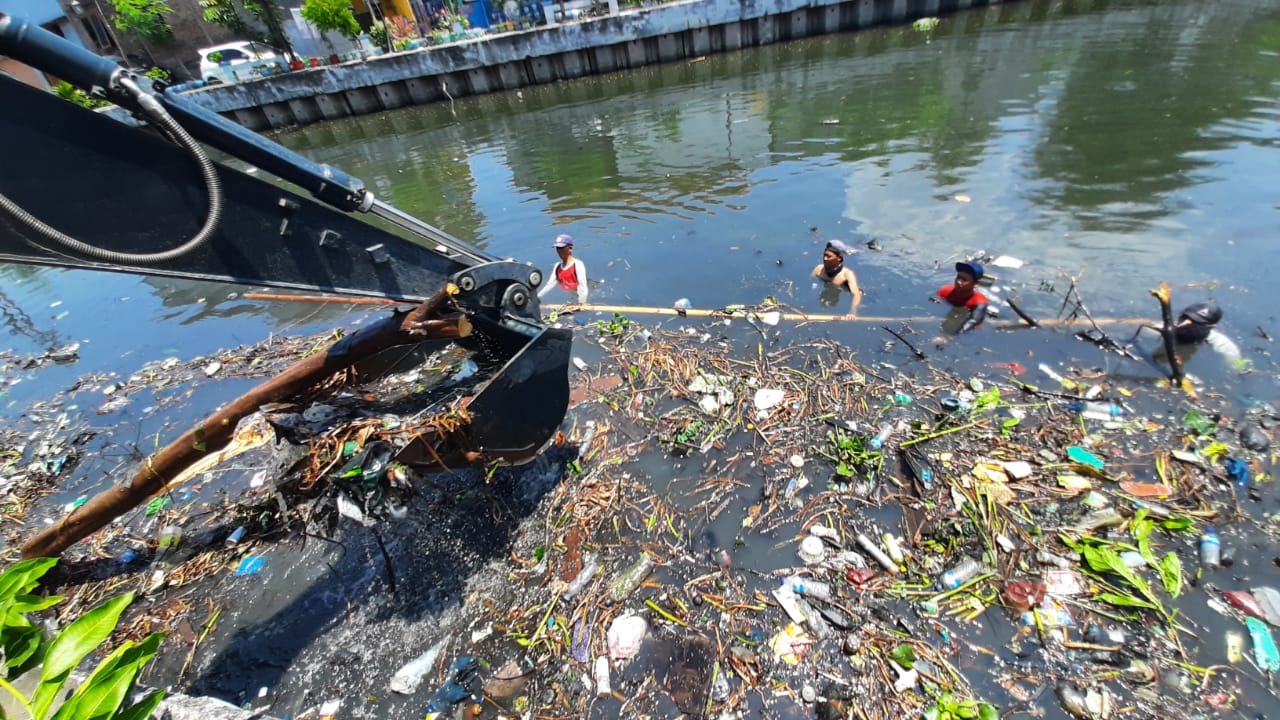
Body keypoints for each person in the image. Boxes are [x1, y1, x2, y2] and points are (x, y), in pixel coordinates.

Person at [1168, 301, 1244, 369]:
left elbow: (1236, 370)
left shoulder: (1225, 347)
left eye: (1196, 322)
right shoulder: (1164, 330)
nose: (1186, 323)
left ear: (1211, 327)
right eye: (1185, 317)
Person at [811, 240, 862, 318]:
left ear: (839, 258)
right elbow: (809, 283)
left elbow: (856, 294)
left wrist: (853, 312)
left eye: (829, 256)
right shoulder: (818, 269)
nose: (825, 258)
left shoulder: (847, 274)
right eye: (824, 255)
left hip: (840, 297)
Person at [936, 260, 989, 334]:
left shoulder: (979, 302)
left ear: (976, 284)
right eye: (958, 277)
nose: (958, 281)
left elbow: (974, 322)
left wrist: (950, 336)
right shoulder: (944, 292)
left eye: (964, 280)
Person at [538, 233, 588, 304]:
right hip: (568, 297)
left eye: (562, 248)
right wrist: (538, 297)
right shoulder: (557, 267)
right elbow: (550, 284)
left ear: (570, 248)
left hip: (577, 297)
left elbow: (582, 287)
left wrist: (582, 303)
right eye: (557, 248)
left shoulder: (578, 265)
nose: (559, 251)